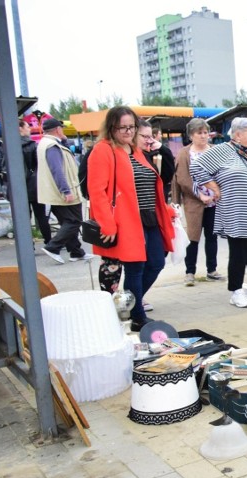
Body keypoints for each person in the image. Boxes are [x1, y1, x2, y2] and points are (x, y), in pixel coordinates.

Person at [87, 108, 174, 329]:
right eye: (122, 127)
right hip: (125, 220)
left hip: (149, 217)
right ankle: (137, 316)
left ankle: (126, 304)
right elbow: (96, 191)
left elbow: (158, 180)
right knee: (136, 268)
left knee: (156, 262)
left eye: (131, 126)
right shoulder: (103, 150)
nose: (128, 131)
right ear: (111, 128)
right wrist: (107, 223)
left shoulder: (136, 150)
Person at [190, 117, 247, 308]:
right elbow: (196, 167)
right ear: (238, 135)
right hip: (238, 211)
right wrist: (214, 187)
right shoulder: (223, 150)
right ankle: (236, 291)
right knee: (239, 252)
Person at [171, 117, 223, 286]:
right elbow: (182, 178)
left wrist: (218, 191)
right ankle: (190, 272)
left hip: (214, 201)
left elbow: (223, 173)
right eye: (199, 133)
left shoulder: (215, 150)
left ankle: (212, 270)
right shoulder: (185, 153)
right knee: (192, 238)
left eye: (205, 132)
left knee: (212, 237)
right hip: (194, 202)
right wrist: (200, 195)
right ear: (191, 135)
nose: (203, 136)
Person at [37, 118, 94, 264]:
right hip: (64, 191)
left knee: (67, 222)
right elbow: (57, 170)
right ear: (57, 129)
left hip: (55, 191)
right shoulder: (52, 146)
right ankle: (53, 247)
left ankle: (76, 251)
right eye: (61, 128)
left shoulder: (45, 144)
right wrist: (66, 190)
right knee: (74, 221)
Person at [19, 119, 51, 245]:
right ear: (20, 128)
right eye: (27, 126)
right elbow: (40, 164)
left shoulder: (9, 146)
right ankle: (49, 242)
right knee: (41, 215)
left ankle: (27, 244)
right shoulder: (32, 145)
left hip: (19, 187)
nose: (30, 129)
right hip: (34, 185)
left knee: (23, 217)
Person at [145, 126, 175, 202]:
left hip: (160, 189)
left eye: (149, 137)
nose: (161, 135)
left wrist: (162, 149)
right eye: (145, 136)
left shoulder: (161, 149)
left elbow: (170, 171)